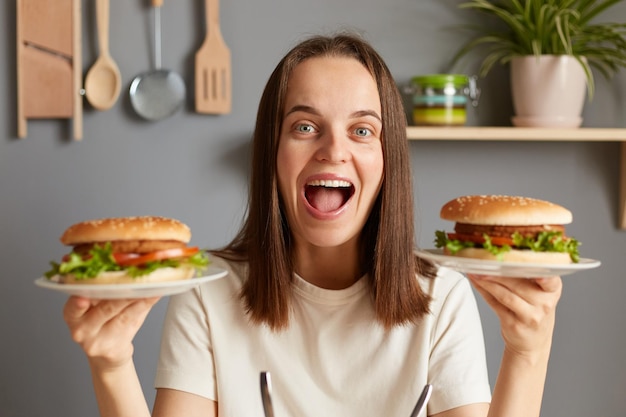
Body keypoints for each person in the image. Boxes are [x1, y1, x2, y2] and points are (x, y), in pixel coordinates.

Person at [63, 33, 562, 417]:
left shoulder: (442, 297)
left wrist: (528, 352)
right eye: (305, 126)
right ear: (272, 153)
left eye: (362, 130)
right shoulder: (205, 290)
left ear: (388, 161)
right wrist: (110, 364)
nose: (333, 149)